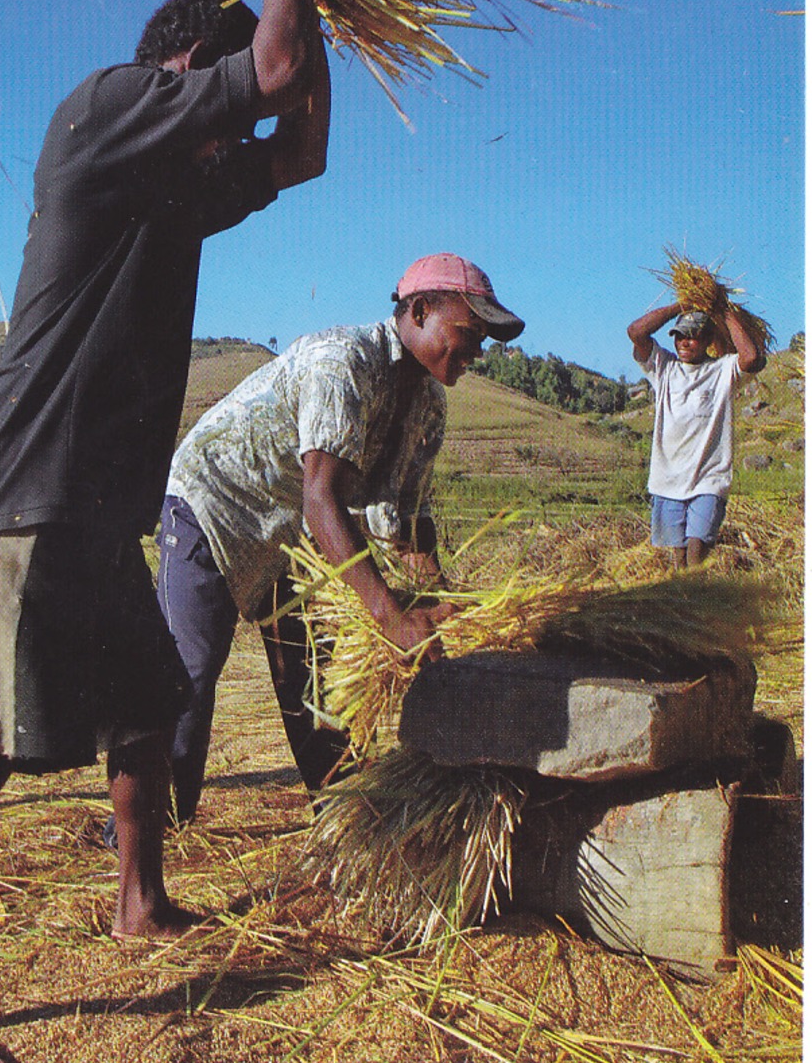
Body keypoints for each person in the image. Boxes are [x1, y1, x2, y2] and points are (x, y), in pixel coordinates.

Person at [0, 0, 328, 1063]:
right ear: (181, 72)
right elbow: (269, 80)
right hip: (26, 485)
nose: (231, 136)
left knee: (143, 709)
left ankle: (139, 902)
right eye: (218, 101)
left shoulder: (174, 190)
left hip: (96, 503)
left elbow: (304, 146)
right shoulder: (104, 110)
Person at [104, 253, 525, 838]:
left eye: (484, 340)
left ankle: (343, 814)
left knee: (314, 686)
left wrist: (448, 612)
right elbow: (321, 499)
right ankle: (148, 833)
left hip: (297, 542)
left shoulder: (428, 406)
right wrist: (390, 617)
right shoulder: (342, 361)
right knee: (187, 676)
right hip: (215, 509)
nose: (477, 351)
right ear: (421, 310)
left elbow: (407, 530)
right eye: (469, 332)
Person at [627, 299, 767, 566]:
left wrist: (723, 310)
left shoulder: (722, 370)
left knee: (697, 546)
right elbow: (636, 332)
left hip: (709, 478)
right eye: (680, 337)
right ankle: (685, 599)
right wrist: (681, 305)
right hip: (668, 479)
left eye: (693, 337)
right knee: (678, 554)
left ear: (708, 341)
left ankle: (696, 592)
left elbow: (749, 357)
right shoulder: (664, 367)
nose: (684, 343)